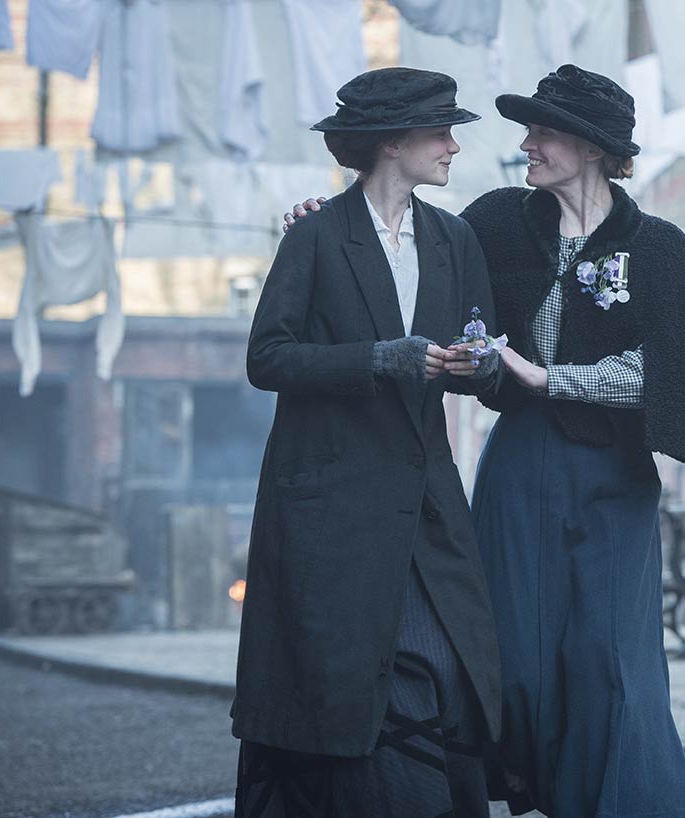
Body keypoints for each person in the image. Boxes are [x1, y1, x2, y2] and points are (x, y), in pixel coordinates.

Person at [288, 63, 685, 818]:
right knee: (514, 654)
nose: (526, 145)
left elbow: (671, 377)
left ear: (592, 147)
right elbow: (415, 256)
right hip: (519, 465)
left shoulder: (657, 247)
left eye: (543, 132)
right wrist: (331, 225)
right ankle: (532, 789)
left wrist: (550, 378)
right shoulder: (492, 221)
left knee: (611, 659)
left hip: (615, 476)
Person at [233, 67, 503, 818]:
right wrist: (379, 359)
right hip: (331, 509)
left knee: (446, 662)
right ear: (391, 142)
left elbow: (479, 352)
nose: (453, 146)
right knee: (345, 682)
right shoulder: (316, 235)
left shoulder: (454, 238)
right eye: (440, 131)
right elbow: (267, 359)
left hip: (425, 505)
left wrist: (477, 366)